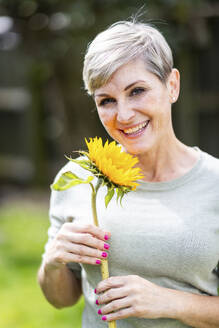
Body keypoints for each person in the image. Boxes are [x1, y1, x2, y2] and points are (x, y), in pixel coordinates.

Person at [38, 19, 219, 328]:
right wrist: (53, 262)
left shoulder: (214, 184)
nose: (123, 115)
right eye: (106, 100)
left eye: (137, 91)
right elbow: (62, 298)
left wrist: (169, 301)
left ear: (172, 85)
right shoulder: (78, 180)